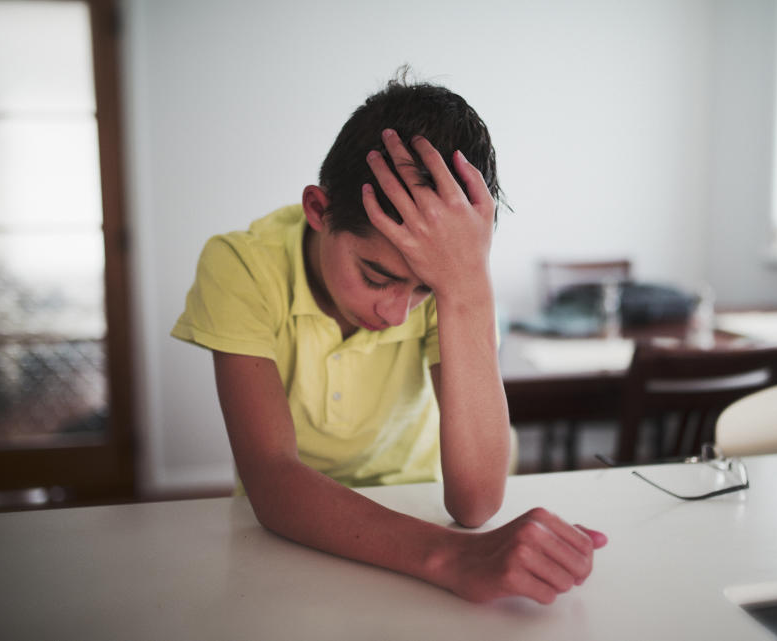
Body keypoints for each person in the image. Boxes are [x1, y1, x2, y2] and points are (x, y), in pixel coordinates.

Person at [171, 73, 607, 604]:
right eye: (376, 276)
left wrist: (464, 286)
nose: (398, 313)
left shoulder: (452, 277)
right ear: (318, 210)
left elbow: (475, 503)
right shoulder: (240, 264)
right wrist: (452, 556)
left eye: (423, 289)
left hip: (419, 507)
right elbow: (272, 479)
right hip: (289, 538)